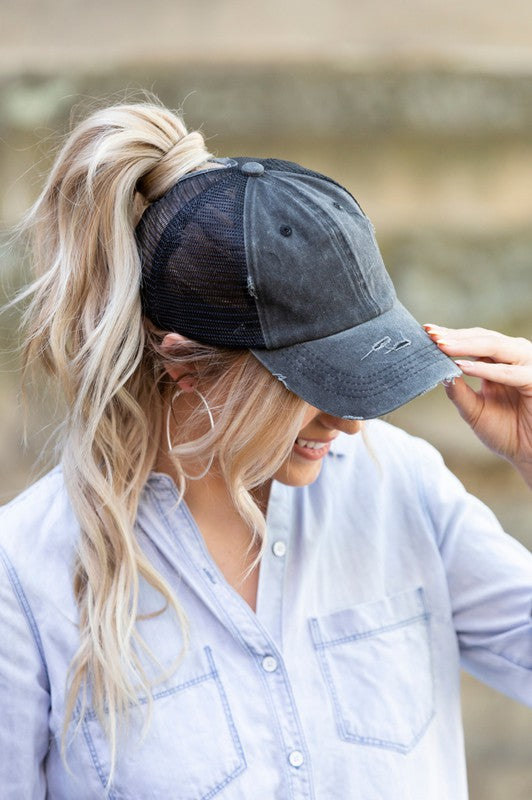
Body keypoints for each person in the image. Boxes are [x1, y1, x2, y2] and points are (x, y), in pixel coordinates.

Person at [0, 99, 530, 800]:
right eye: (315, 385)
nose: (349, 423)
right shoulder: (26, 580)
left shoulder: (399, 483)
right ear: (184, 363)